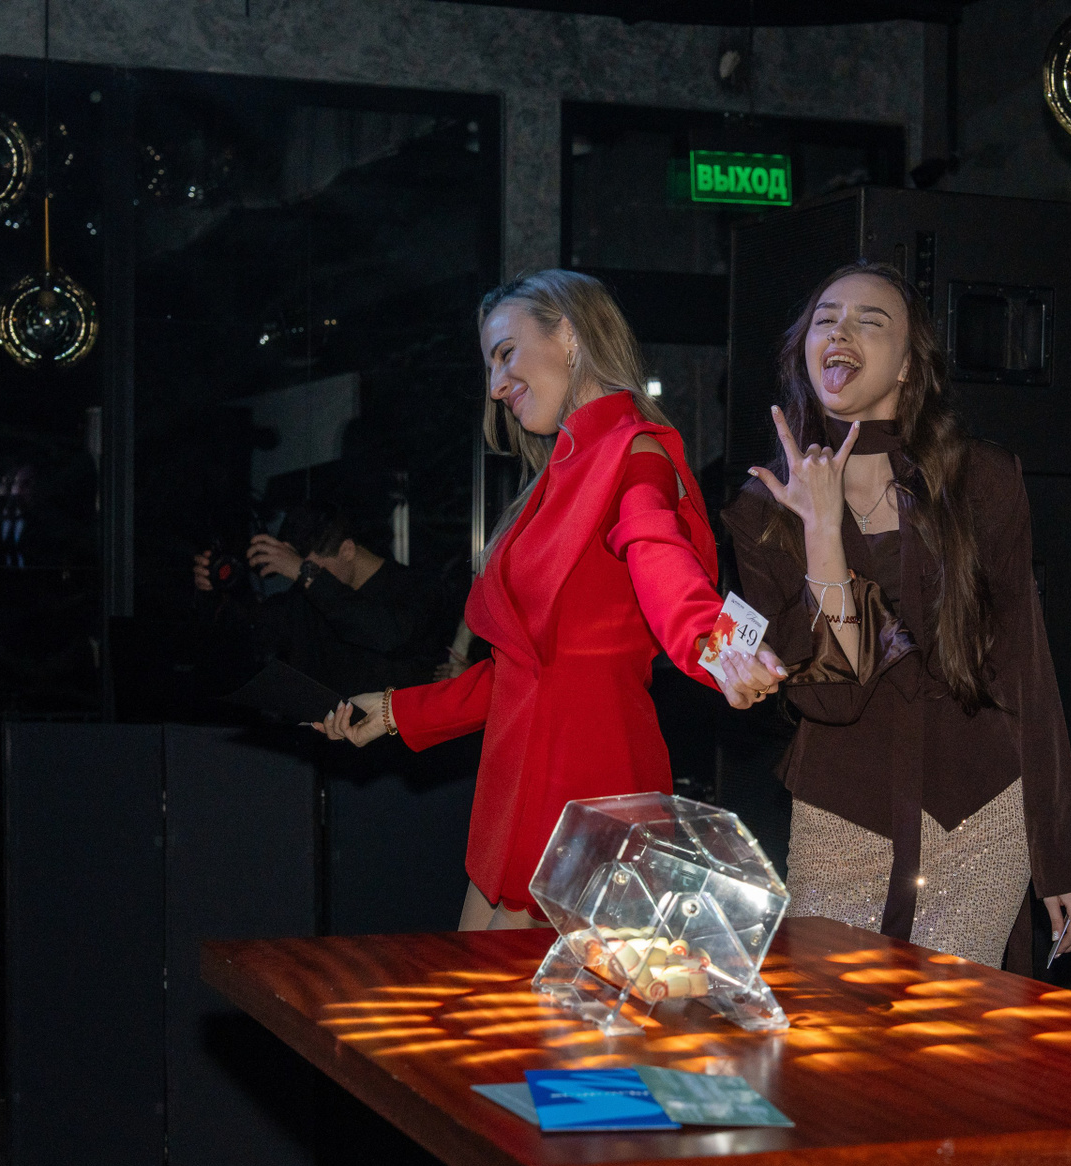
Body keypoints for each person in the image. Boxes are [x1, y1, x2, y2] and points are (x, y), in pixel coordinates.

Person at [316, 270, 783, 930]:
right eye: (489, 366)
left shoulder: (635, 452)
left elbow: (661, 559)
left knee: (536, 997)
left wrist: (720, 647)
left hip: (592, 780)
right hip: (519, 792)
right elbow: (522, 674)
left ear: (568, 334)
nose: (496, 386)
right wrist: (396, 712)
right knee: (480, 992)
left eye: (506, 353)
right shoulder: (551, 480)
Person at [723, 263, 1071, 970]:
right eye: (826, 319)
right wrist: (822, 530)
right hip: (842, 817)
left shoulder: (981, 480)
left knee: (948, 1033)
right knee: (831, 1031)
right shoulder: (764, 509)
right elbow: (832, 697)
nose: (841, 331)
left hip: (978, 815)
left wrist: (1060, 855)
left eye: (870, 321)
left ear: (906, 366)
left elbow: (1026, 668)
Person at [193, 501, 442, 694]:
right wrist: (216, 591)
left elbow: (386, 634)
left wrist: (306, 573)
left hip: (399, 742)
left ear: (347, 550)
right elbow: (251, 632)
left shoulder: (418, 588)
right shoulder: (307, 598)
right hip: (327, 744)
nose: (305, 581)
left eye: (313, 569)